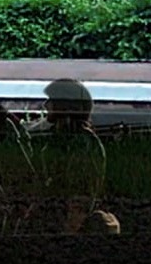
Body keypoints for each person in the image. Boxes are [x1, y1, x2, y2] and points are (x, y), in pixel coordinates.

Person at [28, 79, 120, 235]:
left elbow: (79, 192)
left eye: (51, 101)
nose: (46, 105)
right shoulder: (59, 138)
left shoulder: (82, 142)